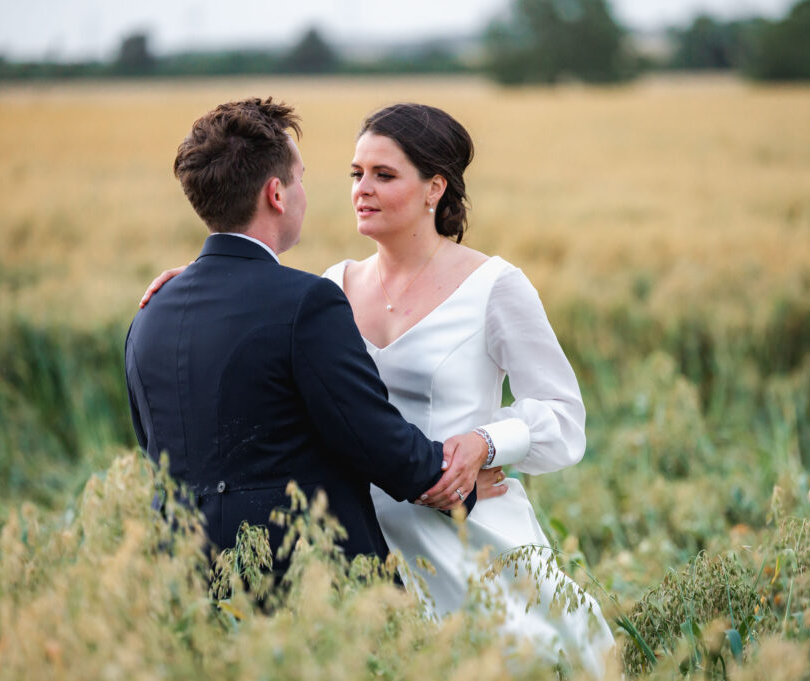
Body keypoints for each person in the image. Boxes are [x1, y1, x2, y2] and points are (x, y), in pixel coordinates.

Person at [143, 102, 615, 675]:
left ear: (433, 188)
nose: (361, 189)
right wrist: (195, 284)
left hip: (464, 527)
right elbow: (267, 337)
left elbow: (563, 415)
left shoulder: (496, 286)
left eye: (383, 175)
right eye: (354, 174)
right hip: (358, 542)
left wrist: (484, 444)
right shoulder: (330, 287)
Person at [124, 97, 488, 577]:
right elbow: (370, 435)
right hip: (298, 572)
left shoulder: (152, 309)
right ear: (276, 194)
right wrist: (459, 480)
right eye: (300, 180)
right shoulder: (307, 303)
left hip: (182, 572)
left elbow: (154, 442)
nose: (305, 195)